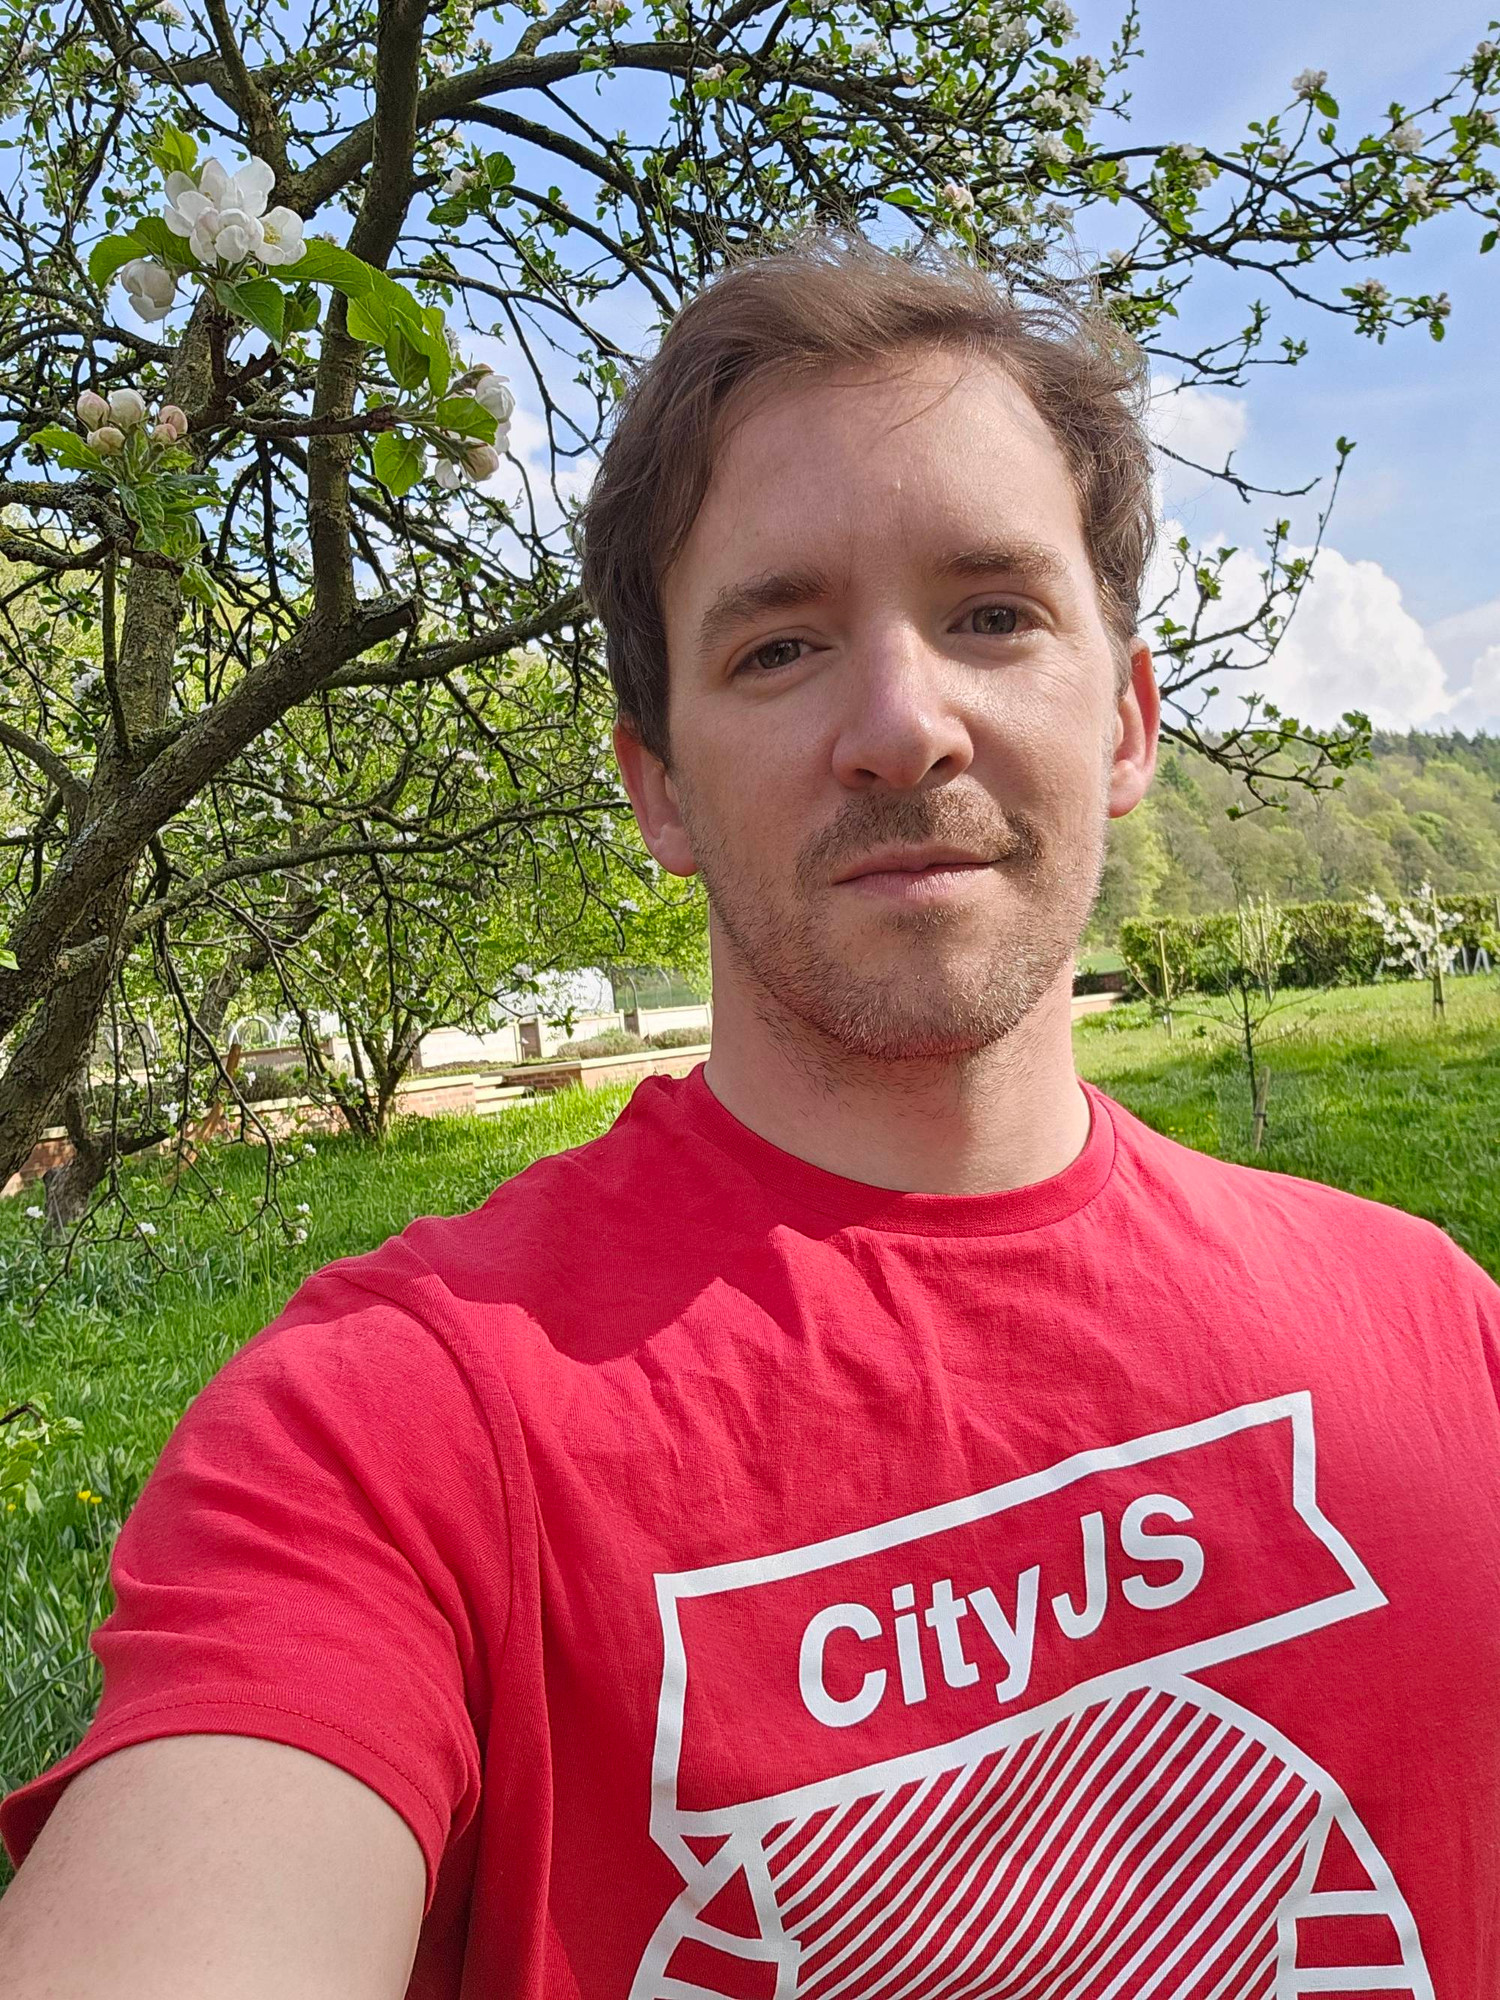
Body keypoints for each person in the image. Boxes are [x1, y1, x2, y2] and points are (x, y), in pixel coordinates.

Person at [2, 236, 1497, 2000]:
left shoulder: (1437, 1331)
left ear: (1128, 718)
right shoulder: (391, 1438)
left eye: (994, 613)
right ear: (657, 785)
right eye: (781, 645)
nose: (898, 725)